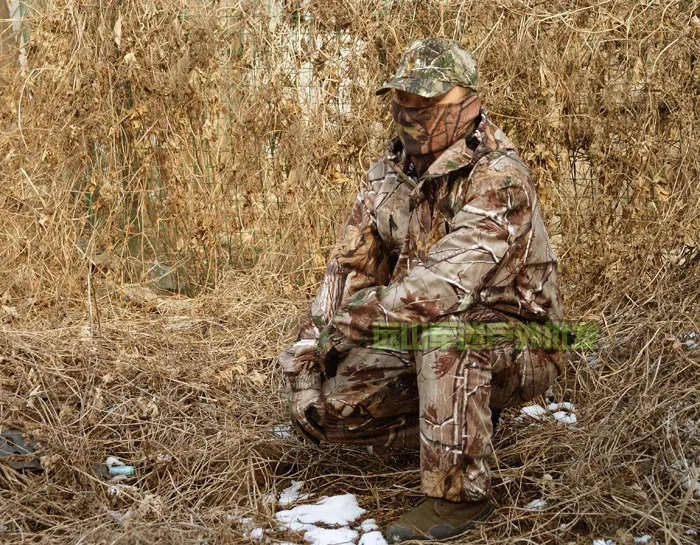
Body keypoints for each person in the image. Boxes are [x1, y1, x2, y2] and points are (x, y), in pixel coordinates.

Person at [278, 37, 566, 542]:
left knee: (447, 338)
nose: (412, 115)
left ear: (470, 103)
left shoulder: (500, 178)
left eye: (429, 103)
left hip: (525, 341)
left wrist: (350, 327)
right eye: (403, 102)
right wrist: (308, 361)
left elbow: (437, 290)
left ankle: (457, 498)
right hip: (420, 329)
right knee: (332, 410)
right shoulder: (386, 176)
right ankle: (463, 422)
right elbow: (346, 273)